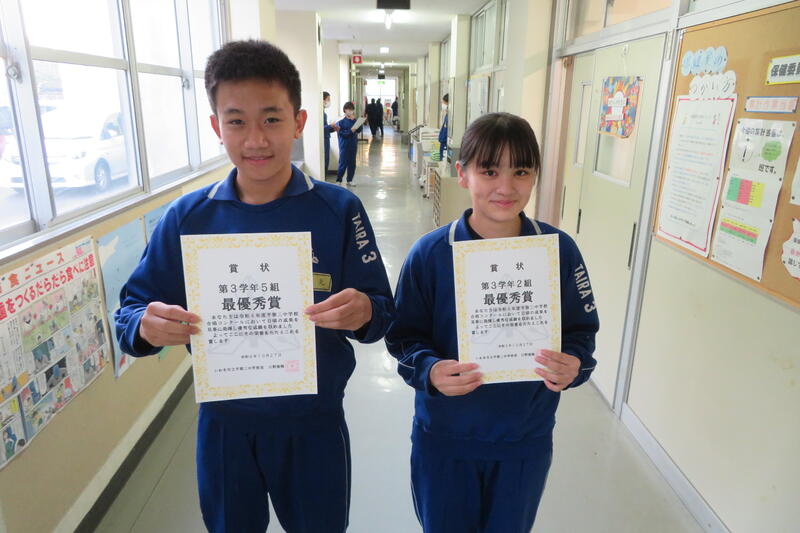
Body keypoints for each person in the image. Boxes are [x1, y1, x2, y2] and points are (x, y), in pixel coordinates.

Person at [115, 40, 394, 533]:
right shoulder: (188, 218)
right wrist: (145, 325)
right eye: (237, 121)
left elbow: (382, 310)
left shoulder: (338, 210)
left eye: (271, 119)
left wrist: (365, 311)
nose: (256, 139)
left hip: (313, 422)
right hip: (226, 424)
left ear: (299, 122)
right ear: (216, 127)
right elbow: (129, 313)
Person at [385, 112, 599, 533]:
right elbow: (403, 336)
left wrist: (573, 364)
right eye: (489, 171)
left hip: (524, 439)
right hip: (445, 438)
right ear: (462, 173)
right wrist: (430, 370)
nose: (505, 187)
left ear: (535, 176)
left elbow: (581, 332)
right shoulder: (430, 253)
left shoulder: (558, 251)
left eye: (521, 171)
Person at [336, 101, 364, 187]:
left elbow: (359, 130)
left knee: (352, 163)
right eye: (348, 109)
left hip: (353, 145)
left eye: (352, 110)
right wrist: (351, 131)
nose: (350, 111)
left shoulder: (354, 121)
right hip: (344, 146)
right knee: (343, 163)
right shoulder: (340, 122)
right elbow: (343, 134)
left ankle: (350, 180)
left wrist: (357, 122)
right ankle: (339, 180)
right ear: (345, 110)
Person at [322, 91, 339, 176]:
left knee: (326, 159)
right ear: (322, 100)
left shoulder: (323, 113)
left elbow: (326, 128)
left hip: (326, 138)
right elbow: (320, 128)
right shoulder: (320, 114)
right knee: (325, 159)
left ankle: (325, 175)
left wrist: (333, 128)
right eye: (328, 99)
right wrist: (330, 126)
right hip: (323, 139)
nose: (329, 101)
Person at [438, 93, 449, 160]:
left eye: (444, 103)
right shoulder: (447, 114)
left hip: (445, 141)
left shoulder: (450, 116)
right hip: (443, 140)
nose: (443, 104)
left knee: (443, 160)